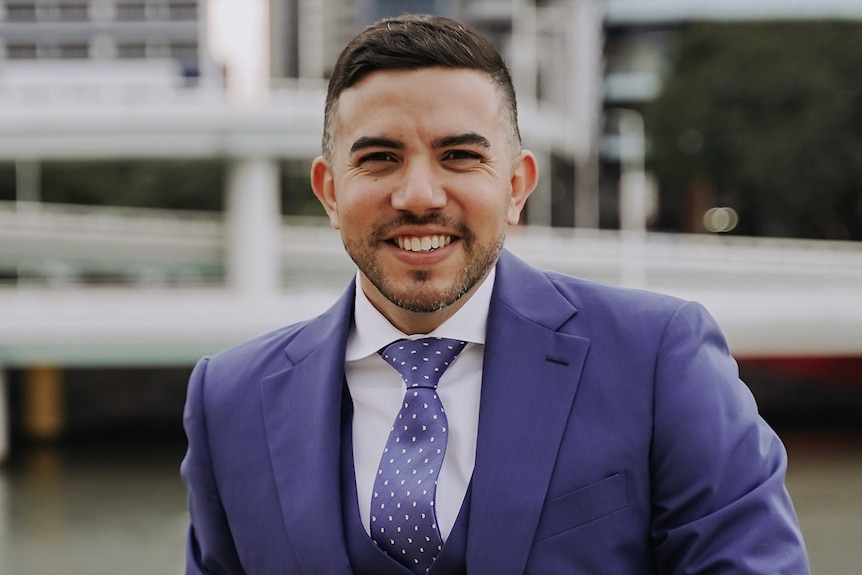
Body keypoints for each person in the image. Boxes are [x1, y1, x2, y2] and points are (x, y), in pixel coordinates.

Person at [181, 13, 809, 575]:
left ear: (516, 186)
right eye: (379, 158)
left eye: (458, 155)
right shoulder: (228, 402)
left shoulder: (656, 359)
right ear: (329, 191)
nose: (420, 195)